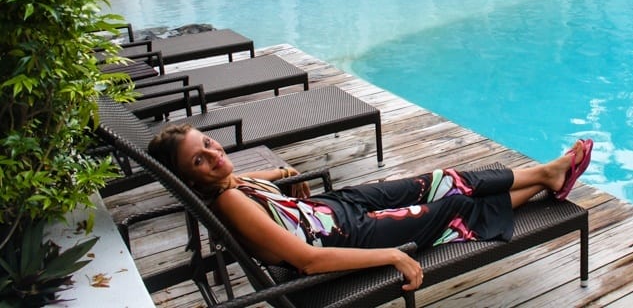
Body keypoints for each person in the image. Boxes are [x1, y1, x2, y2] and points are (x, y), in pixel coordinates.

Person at [148, 124, 593, 291]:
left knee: (438, 179)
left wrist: (283, 178)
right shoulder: (226, 199)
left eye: (207, 143)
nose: (213, 155)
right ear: (190, 177)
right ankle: (547, 177)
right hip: (344, 236)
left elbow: (253, 183)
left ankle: (546, 174)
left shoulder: (227, 181)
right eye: (199, 160)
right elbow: (306, 260)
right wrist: (394, 255)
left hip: (332, 207)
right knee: (453, 207)